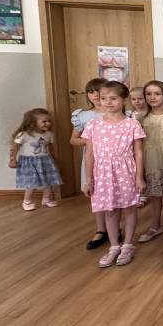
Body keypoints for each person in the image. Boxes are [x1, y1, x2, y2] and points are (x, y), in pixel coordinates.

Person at [81, 81, 146, 268]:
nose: (108, 102)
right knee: (109, 209)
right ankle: (114, 246)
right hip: (102, 173)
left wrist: (139, 177)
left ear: (124, 100)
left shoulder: (132, 124)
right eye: (104, 99)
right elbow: (89, 154)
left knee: (129, 207)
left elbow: (139, 152)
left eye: (113, 98)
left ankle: (127, 245)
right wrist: (89, 179)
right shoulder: (93, 125)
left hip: (126, 171)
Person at [136, 80, 163, 243]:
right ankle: (155, 226)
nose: (152, 97)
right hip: (150, 159)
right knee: (154, 194)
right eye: (148, 94)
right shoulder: (141, 118)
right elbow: (138, 145)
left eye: (157, 94)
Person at [70, 77, 107, 249]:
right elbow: (73, 139)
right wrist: (90, 141)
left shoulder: (116, 113)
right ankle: (101, 229)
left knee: (114, 192)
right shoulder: (83, 116)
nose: (95, 95)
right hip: (92, 160)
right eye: (91, 92)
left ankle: (115, 227)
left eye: (99, 91)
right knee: (96, 193)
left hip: (113, 160)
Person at [10, 108, 63, 211]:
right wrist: (13, 159)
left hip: (46, 161)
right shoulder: (23, 135)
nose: (48, 123)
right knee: (31, 182)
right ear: (32, 123)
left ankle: (46, 199)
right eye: (44, 121)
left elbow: (51, 148)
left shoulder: (49, 134)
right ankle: (27, 201)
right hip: (29, 162)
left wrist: (54, 159)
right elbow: (15, 147)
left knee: (49, 180)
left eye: (49, 121)